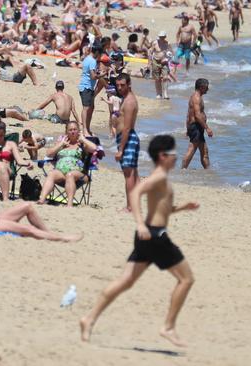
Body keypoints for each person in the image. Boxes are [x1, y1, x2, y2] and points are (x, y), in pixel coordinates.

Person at [80, 134, 197, 347]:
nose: (176, 157)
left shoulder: (162, 178)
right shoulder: (159, 177)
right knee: (186, 279)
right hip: (154, 236)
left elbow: (162, 210)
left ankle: (88, 319)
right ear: (162, 156)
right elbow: (136, 193)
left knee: (126, 281)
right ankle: (168, 327)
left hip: (148, 236)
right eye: (172, 154)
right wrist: (140, 223)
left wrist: (182, 208)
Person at [36, 121, 97, 207]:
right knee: (52, 174)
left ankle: (69, 204)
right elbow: (49, 154)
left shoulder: (82, 144)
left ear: (78, 131)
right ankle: (42, 199)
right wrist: (61, 144)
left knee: (70, 174)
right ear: (66, 132)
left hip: (79, 174)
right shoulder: (62, 143)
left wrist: (83, 139)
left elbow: (94, 148)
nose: (72, 131)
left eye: (75, 129)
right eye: (70, 130)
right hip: (61, 173)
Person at [113, 74, 140, 212]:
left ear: (129, 84)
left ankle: (130, 207)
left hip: (128, 139)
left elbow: (127, 127)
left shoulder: (129, 101)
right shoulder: (125, 99)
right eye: (118, 85)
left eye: (122, 85)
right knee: (133, 173)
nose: (119, 88)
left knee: (128, 175)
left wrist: (121, 150)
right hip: (126, 138)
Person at [182, 78, 213, 169]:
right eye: (206, 87)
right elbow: (197, 115)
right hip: (196, 127)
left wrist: (188, 129)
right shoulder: (196, 98)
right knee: (192, 149)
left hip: (196, 127)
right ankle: (182, 170)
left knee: (204, 152)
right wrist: (207, 128)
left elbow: (188, 115)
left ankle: (208, 172)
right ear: (201, 87)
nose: (207, 89)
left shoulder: (196, 97)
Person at [78, 44, 105, 136]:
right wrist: (103, 74)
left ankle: (88, 129)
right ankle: (84, 129)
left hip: (88, 87)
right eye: (100, 54)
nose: (100, 56)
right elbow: (93, 76)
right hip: (86, 87)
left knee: (91, 108)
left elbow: (90, 73)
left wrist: (98, 73)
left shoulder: (87, 58)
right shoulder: (92, 61)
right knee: (86, 108)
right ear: (97, 52)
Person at [149, 31, 172, 99]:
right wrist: (149, 62)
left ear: (165, 37)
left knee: (165, 77)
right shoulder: (155, 43)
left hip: (164, 62)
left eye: (162, 37)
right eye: (160, 37)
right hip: (156, 62)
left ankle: (165, 94)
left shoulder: (167, 43)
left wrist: (167, 59)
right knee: (157, 79)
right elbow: (150, 52)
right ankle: (158, 94)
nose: (161, 38)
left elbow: (171, 54)